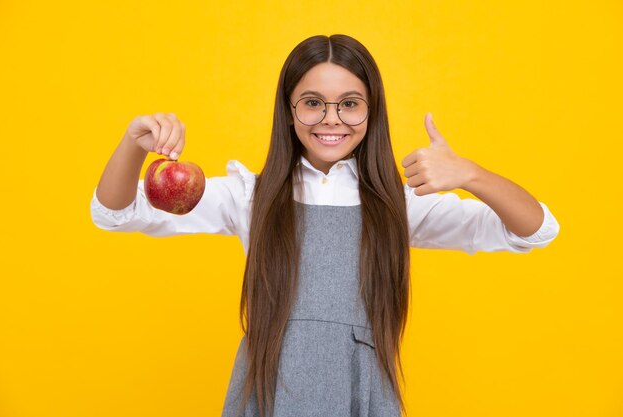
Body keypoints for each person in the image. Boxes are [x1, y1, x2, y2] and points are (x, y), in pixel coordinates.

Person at [90, 34, 560, 417]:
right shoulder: (250, 195)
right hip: (271, 390)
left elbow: (535, 230)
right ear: (289, 111)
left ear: (371, 110)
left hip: (361, 391)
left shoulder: (397, 204)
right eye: (312, 103)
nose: (330, 119)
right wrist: (134, 143)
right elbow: (116, 213)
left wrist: (472, 175)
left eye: (349, 104)